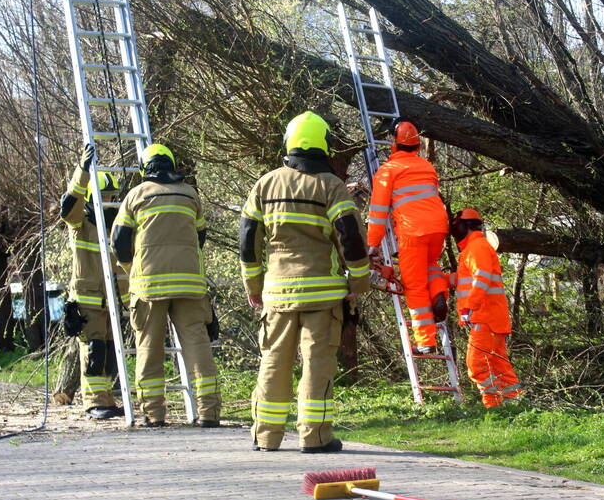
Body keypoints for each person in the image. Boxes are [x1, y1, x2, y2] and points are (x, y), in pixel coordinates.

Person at [240, 111, 370, 453]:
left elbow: (248, 240)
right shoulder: (331, 185)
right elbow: (350, 237)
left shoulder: (265, 184)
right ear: (323, 144)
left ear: (290, 142)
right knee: (318, 362)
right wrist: (359, 280)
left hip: (277, 293)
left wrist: (253, 287)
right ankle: (315, 437)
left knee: (274, 360)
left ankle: (266, 436)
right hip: (323, 296)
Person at [110, 143, 221, 427]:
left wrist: (132, 269)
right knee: (197, 346)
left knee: (149, 348)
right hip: (190, 285)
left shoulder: (136, 195)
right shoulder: (190, 194)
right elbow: (200, 237)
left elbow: (119, 242)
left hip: (148, 286)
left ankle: (154, 415)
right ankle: (209, 413)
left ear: (144, 168)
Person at [366, 119, 449, 355]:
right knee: (431, 265)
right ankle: (439, 294)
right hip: (438, 227)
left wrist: (373, 244)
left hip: (413, 231)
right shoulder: (427, 166)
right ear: (417, 144)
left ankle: (425, 340)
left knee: (414, 286)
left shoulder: (388, 171)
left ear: (394, 142)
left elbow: (378, 212)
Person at [59, 143, 128, 421]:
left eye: (113, 196)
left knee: (111, 353)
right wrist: (82, 172)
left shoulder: (117, 226)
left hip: (113, 298)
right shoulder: (81, 225)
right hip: (88, 300)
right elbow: (68, 206)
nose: (110, 200)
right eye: (105, 196)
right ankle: (94, 403)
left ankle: (107, 400)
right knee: (94, 351)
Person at [449, 208, 522, 407]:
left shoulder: (477, 247)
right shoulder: (473, 249)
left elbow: (482, 278)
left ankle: (493, 405)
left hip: (485, 317)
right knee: (500, 366)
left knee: (476, 366)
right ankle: (514, 404)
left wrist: (468, 308)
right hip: (490, 318)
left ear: (466, 225)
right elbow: (466, 279)